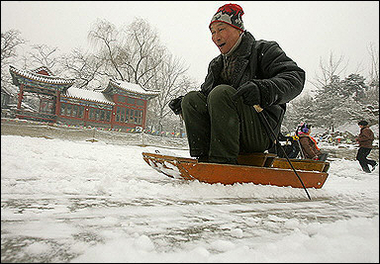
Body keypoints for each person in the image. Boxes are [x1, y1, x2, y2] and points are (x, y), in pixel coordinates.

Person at [169, 3, 305, 164]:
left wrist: (263, 90)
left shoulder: (263, 50)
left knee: (221, 93)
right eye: (212, 32)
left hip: (258, 131)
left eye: (221, 29)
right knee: (192, 99)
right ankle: (204, 157)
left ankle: (222, 161)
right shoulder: (216, 65)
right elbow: (206, 97)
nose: (216, 36)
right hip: (224, 133)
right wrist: (184, 105)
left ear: (238, 29)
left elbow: (295, 78)